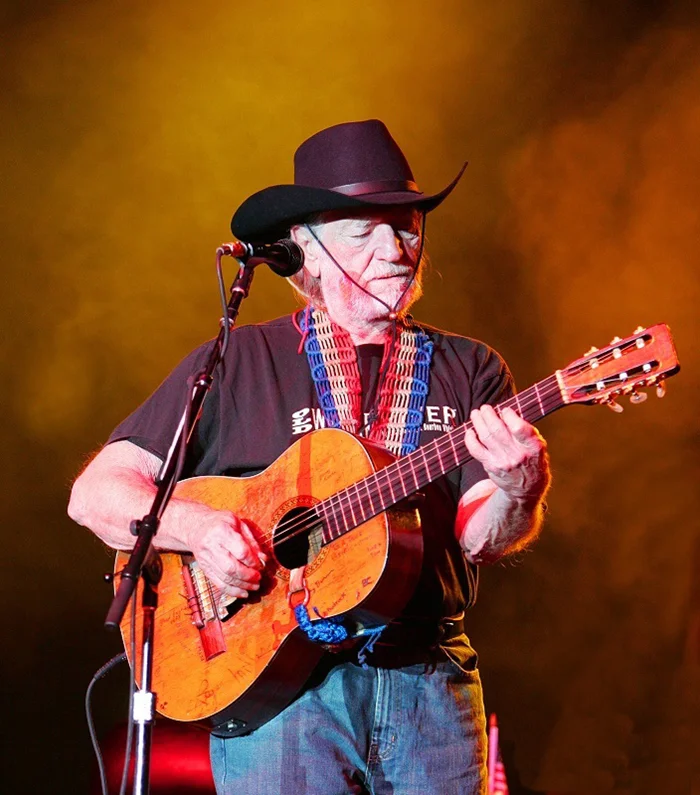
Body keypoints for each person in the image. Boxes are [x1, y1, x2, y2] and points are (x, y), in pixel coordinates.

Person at [69, 119, 551, 795]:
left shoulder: (471, 367)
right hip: (280, 696)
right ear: (308, 252)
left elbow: (482, 538)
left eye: (408, 228)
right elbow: (95, 494)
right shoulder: (241, 359)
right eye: (363, 232)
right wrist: (201, 529)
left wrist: (518, 484)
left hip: (428, 686)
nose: (395, 250)